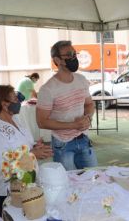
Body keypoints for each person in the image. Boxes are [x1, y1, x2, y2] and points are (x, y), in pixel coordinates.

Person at [0, 85, 53, 217]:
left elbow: (24, 147)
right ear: (4, 104)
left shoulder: (15, 119)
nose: (19, 102)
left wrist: (35, 148)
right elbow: (4, 168)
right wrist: (32, 154)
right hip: (12, 192)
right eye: (15, 98)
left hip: (30, 185)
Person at [36, 40, 98, 171]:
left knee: (94, 178)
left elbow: (89, 104)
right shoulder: (47, 89)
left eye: (74, 53)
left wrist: (88, 118)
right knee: (69, 184)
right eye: (69, 54)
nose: (73, 57)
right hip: (63, 144)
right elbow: (42, 122)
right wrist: (74, 125)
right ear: (57, 60)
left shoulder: (81, 80)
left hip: (84, 139)